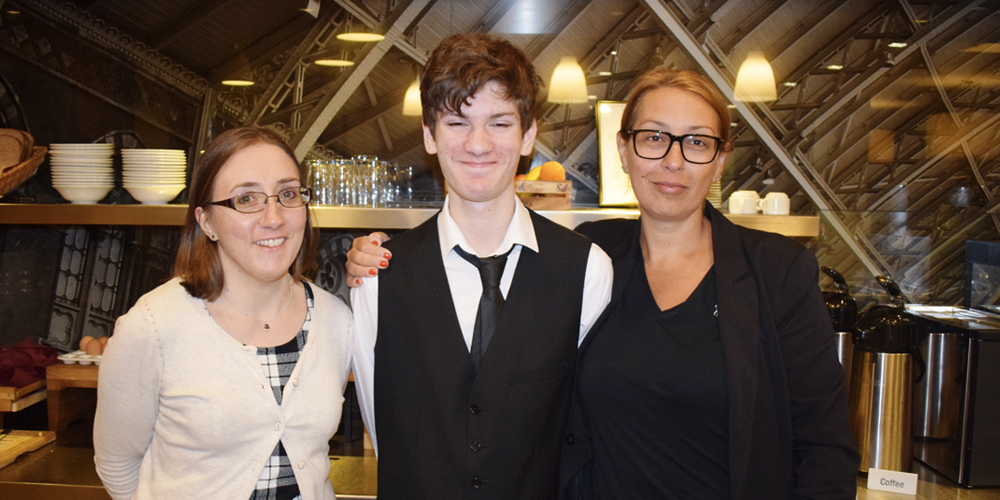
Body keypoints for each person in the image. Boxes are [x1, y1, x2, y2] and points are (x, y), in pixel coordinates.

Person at [347, 69, 859, 499]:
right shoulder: (593, 257)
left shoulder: (775, 272)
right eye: (654, 137)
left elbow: (824, 444)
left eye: (697, 142)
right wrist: (369, 262)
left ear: (721, 158)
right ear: (624, 149)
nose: (673, 161)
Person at [349, 33, 613, 499]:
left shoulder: (588, 270)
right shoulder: (378, 276)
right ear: (430, 135)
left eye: (499, 122)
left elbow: (582, 431)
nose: (477, 144)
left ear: (528, 134)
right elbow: (380, 427)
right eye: (457, 122)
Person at [93, 126, 353, 500]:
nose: (274, 217)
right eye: (246, 199)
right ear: (206, 222)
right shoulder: (154, 326)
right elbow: (117, 464)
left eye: (288, 194)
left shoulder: (335, 321)